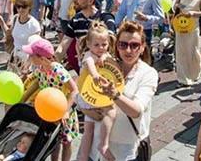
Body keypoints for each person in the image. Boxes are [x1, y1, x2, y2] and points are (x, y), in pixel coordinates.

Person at [92, 21, 159, 161]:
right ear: (117, 46)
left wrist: (115, 95)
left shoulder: (148, 73)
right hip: (102, 146)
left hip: (129, 150)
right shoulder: (107, 67)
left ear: (142, 48)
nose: (128, 50)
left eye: (134, 45)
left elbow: (136, 111)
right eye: (123, 45)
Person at [25, 38, 79, 161]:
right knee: (53, 143)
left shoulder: (57, 69)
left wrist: (66, 111)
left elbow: (75, 90)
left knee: (66, 142)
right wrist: (23, 99)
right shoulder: (40, 69)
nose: (29, 57)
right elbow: (37, 84)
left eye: (32, 55)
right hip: (50, 112)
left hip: (64, 111)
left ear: (41, 57)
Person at [76, 22, 117, 161]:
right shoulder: (88, 55)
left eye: (104, 45)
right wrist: (95, 76)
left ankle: (103, 144)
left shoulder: (106, 55)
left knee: (104, 119)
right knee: (88, 130)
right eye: (97, 45)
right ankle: (83, 156)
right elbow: (90, 65)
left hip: (99, 97)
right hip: (88, 97)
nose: (100, 48)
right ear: (88, 44)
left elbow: (114, 70)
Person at [59, 0, 116, 72]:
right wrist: (52, 61)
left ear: (90, 1)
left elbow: (112, 45)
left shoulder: (106, 18)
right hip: (84, 71)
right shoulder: (75, 20)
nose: (74, 0)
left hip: (106, 69)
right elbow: (63, 46)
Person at [0, 0, 41, 77]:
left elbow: (36, 47)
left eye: (24, 7)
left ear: (30, 7)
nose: (20, 9)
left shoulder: (34, 24)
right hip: (15, 57)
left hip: (28, 59)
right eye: (18, 6)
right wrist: (2, 23)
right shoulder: (15, 18)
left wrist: (28, 64)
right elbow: (9, 34)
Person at [173, 0, 201, 87]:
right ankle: (183, 79)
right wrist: (181, 8)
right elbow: (176, 6)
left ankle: (194, 73)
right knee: (181, 52)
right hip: (181, 27)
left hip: (193, 27)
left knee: (194, 51)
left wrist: (194, 13)